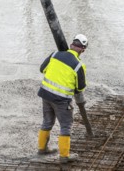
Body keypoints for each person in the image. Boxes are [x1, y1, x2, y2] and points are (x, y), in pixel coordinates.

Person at [37, 34, 88, 164]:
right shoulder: (78, 66)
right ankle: (64, 156)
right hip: (61, 100)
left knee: (47, 121)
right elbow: (79, 88)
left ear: (72, 44)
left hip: (46, 94)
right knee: (65, 126)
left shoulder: (55, 54)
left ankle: (42, 149)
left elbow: (42, 69)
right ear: (83, 49)